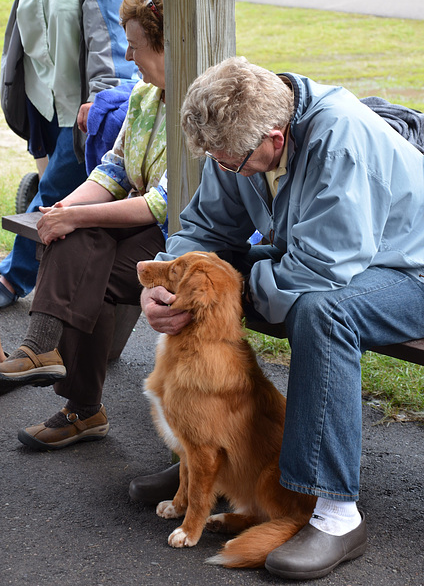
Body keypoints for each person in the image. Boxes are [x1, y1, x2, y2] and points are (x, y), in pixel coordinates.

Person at [138, 57, 424, 580]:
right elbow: (204, 229)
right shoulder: (238, 140)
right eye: (215, 162)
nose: (223, 170)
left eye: (230, 163)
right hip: (327, 257)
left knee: (322, 313)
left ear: (275, 136)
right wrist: (168, 285)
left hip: (407, 270)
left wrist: (219, 292)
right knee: (212, 276)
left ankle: (336, 515)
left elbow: (320, 270)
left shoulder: (342, 141)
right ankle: (207, 455)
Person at [0, 0, 169, 451]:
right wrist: (65, 209)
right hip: (140, 221)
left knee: (86, 264)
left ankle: (77, 400)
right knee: (67, 235)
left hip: (184, 234)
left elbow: (163, 203)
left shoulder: (196, 106)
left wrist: (77, 218)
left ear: (166, 44)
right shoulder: (143, 98)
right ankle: (46, 359)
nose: (130, 57)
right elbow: (114, 170)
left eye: (135, 46)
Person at [0, 0, 154, 308]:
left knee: (56, 193)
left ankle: (14, 277)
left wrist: (104, 107)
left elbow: (116, 39)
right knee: (52, 189)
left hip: (83, 106)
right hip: (41, 96)